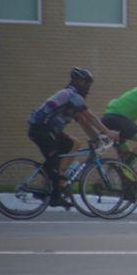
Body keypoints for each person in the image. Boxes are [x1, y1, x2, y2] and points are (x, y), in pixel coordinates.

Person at [27, 68, 121, 204]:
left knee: (74, 144)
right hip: (42, 129)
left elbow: (83, 121)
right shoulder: (70, 95)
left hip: (49, 130)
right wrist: (108, 132)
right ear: (78, 81)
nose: (88, 88)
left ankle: (54, 182)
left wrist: (96, 138)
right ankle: (54, 195)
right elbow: (90, 116)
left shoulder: (70, 98)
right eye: (86, 84)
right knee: (54, 159)